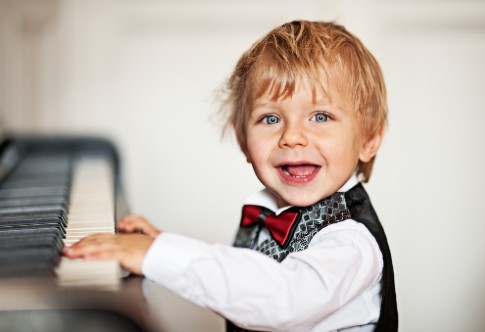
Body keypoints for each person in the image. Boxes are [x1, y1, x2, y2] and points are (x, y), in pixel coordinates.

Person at [64, 20, 398, 332]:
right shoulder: (271, 211)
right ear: (243, 140)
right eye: (270, 119)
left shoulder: (351, 243)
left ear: (368, 139)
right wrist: (162, 246)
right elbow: (243, 288)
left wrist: (162, 254)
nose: (292, 136)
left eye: (321, 116)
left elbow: (280, 299)